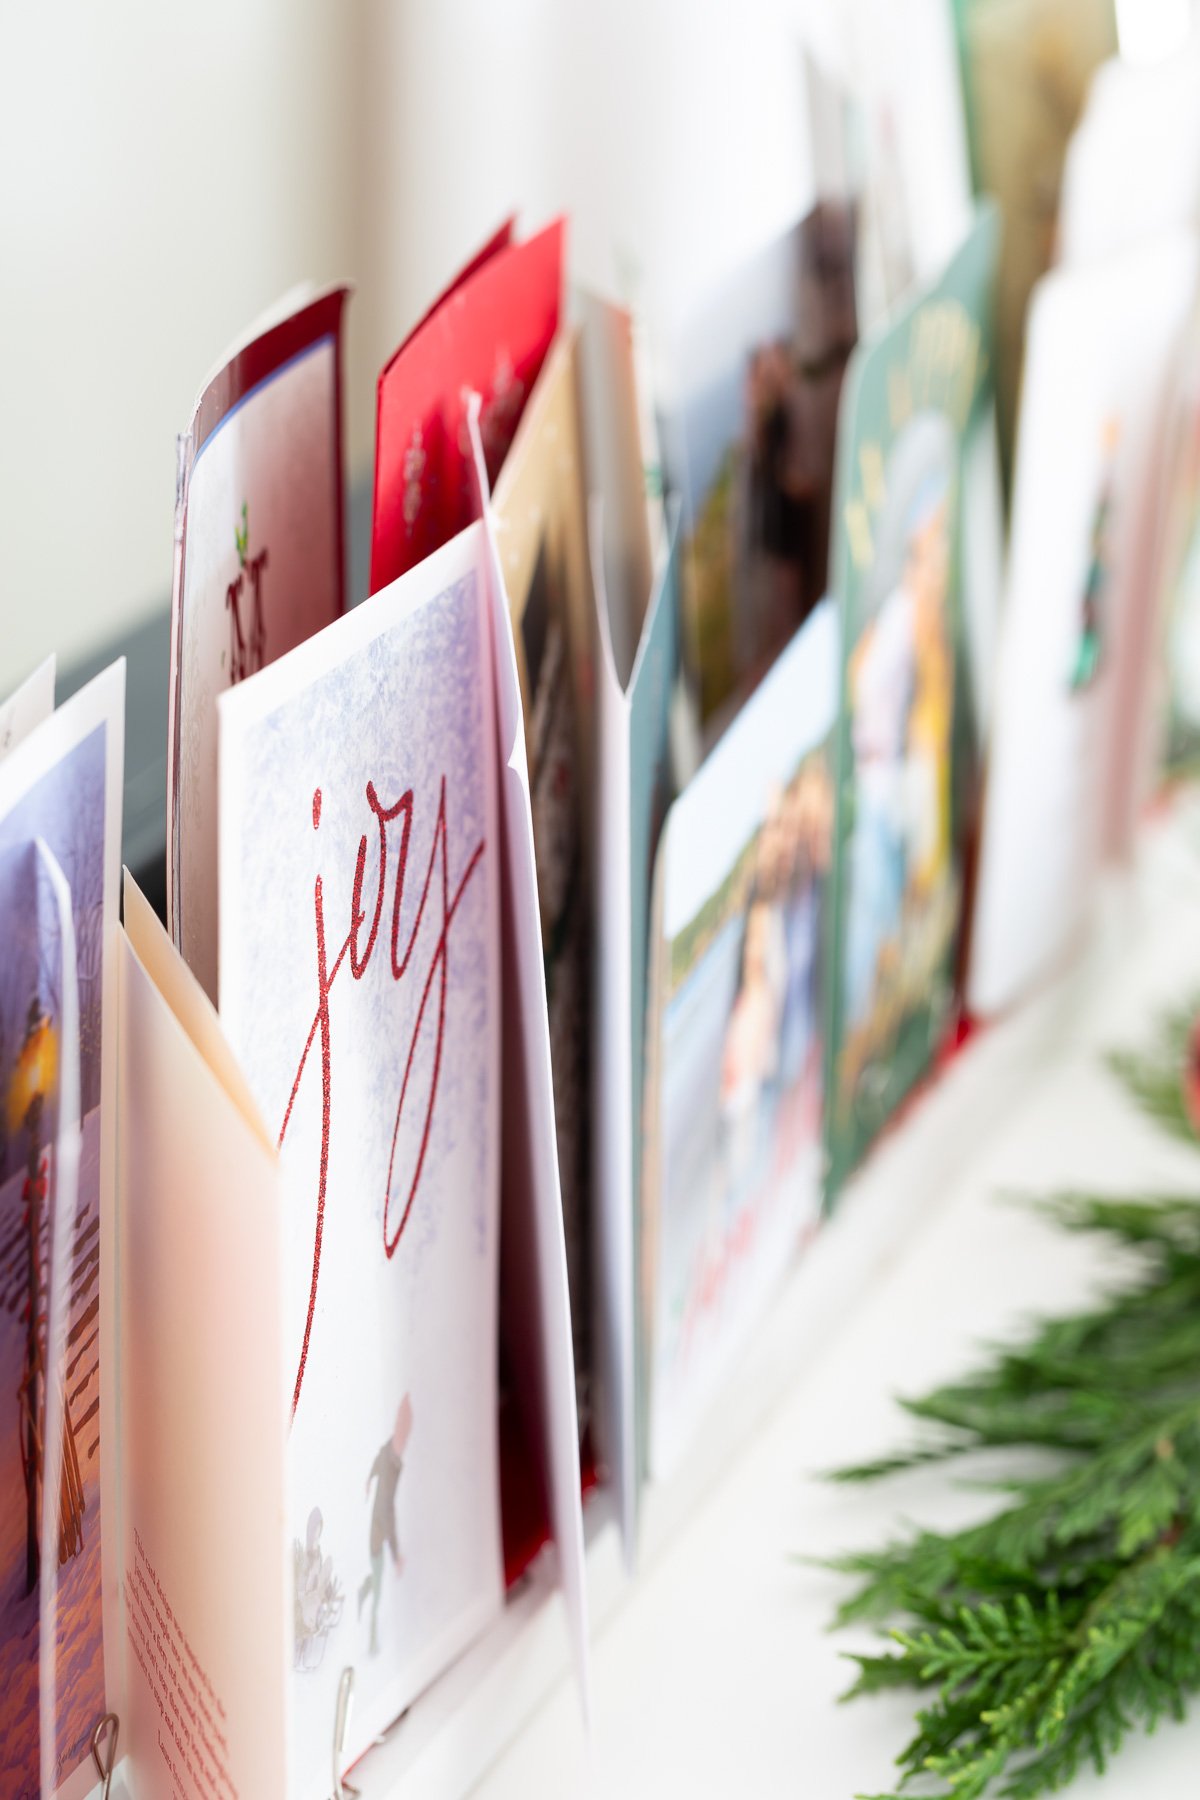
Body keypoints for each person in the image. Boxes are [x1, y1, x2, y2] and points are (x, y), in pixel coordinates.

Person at [358, 1394, 413, 1657]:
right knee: (379, 1589)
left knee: (377, 1579)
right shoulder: (389, 1459)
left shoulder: (391, 1458)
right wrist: (396, 1553)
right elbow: (386, 1513)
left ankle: (364, 1589)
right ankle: (371, 1642)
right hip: (378, 1530)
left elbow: (378, 1464)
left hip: (380, 1528)